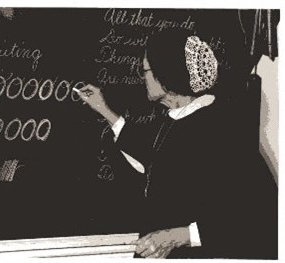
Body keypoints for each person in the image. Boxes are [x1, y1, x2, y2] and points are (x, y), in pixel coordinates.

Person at [77, 29, 277, 259]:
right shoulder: (179, 120)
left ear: (166, 73)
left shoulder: (221, 129)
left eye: (146, 70)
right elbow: (155, 154)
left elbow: (260, 213)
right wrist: (104, 110)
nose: (143, 77)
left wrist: (179, 236)